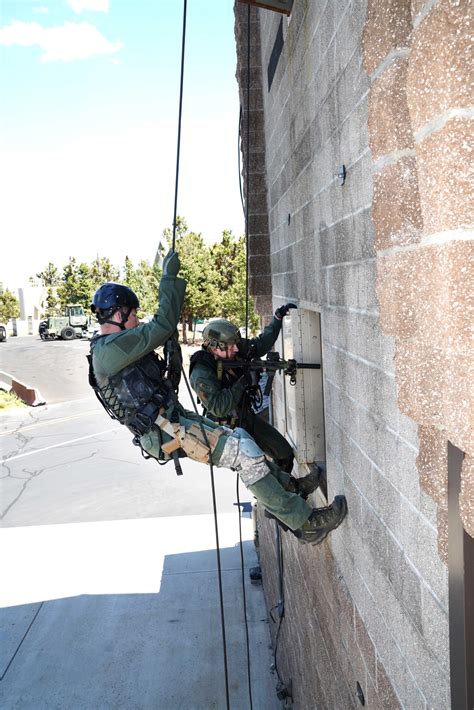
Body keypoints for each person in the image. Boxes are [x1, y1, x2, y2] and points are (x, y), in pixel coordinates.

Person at [88, 250, 347, 545]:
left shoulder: (117, 349)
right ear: (118, 315)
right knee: (245, 455)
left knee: (243, 441)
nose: (136, 319)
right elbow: (160, 325)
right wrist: (168, 279)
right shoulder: (109, 351)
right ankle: (306, 523)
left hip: (172, 421)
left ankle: (291, 490)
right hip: (166, 431)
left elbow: (166, 383)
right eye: (133, 314)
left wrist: (171, 346)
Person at [189, 312, 322, 499]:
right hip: (228, 430)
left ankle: (289, 497)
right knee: (260, 470)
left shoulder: (232, 348)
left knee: (283, 453)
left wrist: (276, 320)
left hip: (246, 416)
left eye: (236, 344)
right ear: (214, 347)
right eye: (231, 346)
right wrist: (243, 382)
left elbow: (258, 345)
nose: (236, 349)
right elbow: (219, 407)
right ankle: (288, 503)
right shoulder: (202, 371)